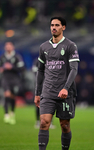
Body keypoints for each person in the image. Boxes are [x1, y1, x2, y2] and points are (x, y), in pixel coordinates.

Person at [34, 17, 80, 150]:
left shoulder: (70, 46)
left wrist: (66, 88)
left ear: (63, 27)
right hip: (48, 91)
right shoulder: (44, 47)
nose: (53, 27)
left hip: (65, 93)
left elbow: (74, 69)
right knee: (44, 122)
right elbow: (40, 71)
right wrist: (37, 93)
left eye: (57, 25)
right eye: (52, 25)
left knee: (64, 125)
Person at [0, 42, 24, 125]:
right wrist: (1, 68)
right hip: (6, 79)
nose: (8, 47)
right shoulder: (2, 57)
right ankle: (6, 114)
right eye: (6, 46)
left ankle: (12, 113)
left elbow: (22, 68)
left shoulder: (17, 57)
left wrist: (11, 67)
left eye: (9, 46)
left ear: (13, 47)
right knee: (7, 94)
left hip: (14, 79)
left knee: (12, 97)